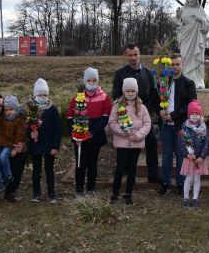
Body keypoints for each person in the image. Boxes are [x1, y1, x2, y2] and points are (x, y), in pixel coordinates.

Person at [112, 44, 161, 184]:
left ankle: (152, 175)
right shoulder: (120, 74)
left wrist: (146, 108)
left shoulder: (148, 72)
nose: (133, 58)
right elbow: (116, 94)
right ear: (126, 56)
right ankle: (125, 172)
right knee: (126, 143)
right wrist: (128, 108)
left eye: (135, 54)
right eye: (130, 55)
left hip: (144, 115)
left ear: (140, 54)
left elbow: (153, 94)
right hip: (126, 117)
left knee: (151, 143)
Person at [67, 67, 112, 196]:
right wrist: (75, 131)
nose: (91, 83)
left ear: (97, 81)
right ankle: (79, 191)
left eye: (94, 80)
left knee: (92, 164)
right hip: (79, 135)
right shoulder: (77, 97)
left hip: (95, 135)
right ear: (84, 81)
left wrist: (93, 131)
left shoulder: (104, 97)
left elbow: (105, 116)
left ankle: (91, 190)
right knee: (80, 164)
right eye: (89, 80)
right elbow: (70, 115)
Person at [108, 78, 152, 206]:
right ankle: (115, 194)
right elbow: (112, 122)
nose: (130, 93)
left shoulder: (142, 107)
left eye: (133, 90)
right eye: (128, 90)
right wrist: (123, 132)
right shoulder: (117, 105)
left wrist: (137, 136)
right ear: (124, 91)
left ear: (136, 91)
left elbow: (147, 124)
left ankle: (128, 194)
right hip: (122, 142)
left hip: (135, 143)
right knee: (120, 169)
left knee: (132, 169)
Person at [158, 54, 197, 195]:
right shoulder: (163, 81)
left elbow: (191, 104)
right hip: (166, 126)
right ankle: (165, 183)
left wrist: (173, 116)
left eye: (177, 64)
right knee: (167, 155)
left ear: (182, 64)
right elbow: (157, 100)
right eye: (172, 64)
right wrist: (160, 112)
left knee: (181, 155)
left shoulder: (188, 83)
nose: (175, 67)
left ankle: (181, 183)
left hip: (181, 125)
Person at [29, 78, 62, 202]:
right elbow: (26, 126)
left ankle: (51, 192)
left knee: (49, 169)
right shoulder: (31, 109)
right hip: (36, 144)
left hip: (49, 145)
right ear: (35, 95)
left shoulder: (52, 109)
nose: (42, 97)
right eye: (40, 95)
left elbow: (57, 129)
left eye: (45, 95)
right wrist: (30, 133)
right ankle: (36, 192)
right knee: (36, 170)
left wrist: (55, 146)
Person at [178, 100, 209, 209]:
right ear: (189, 114)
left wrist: (202, 156)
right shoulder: (185, 126)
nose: (195, 115)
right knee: (188, 179)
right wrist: (187, 154)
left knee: (197, 179)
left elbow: (207, 142)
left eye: (197, 113)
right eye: (192, 113)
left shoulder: (204, 127)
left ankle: (195, 198)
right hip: (189, 158)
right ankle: (186, 198)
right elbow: (181, 141)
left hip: (199, 159)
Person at [175, 0, 209, 88]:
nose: (192, 0)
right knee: (184, 56)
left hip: (196, 36)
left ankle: (197, 81)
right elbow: (177, 24)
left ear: (196, 0)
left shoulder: (200, 9)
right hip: (186, 35)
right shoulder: (182, 9)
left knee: (195, 57)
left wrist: (200, 19)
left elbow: (207, 24)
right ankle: (184, 79)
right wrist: (178, 16)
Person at [0, 95, 26, 194]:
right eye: (6, 110)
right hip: (1, 143)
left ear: (16, 109)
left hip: (11, 144)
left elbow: (20, 134)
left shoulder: (19, 119)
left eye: (11, 109)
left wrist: (16, 147)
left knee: (3, 157)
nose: (8, 112)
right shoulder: (2, 117)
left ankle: (8, 176)